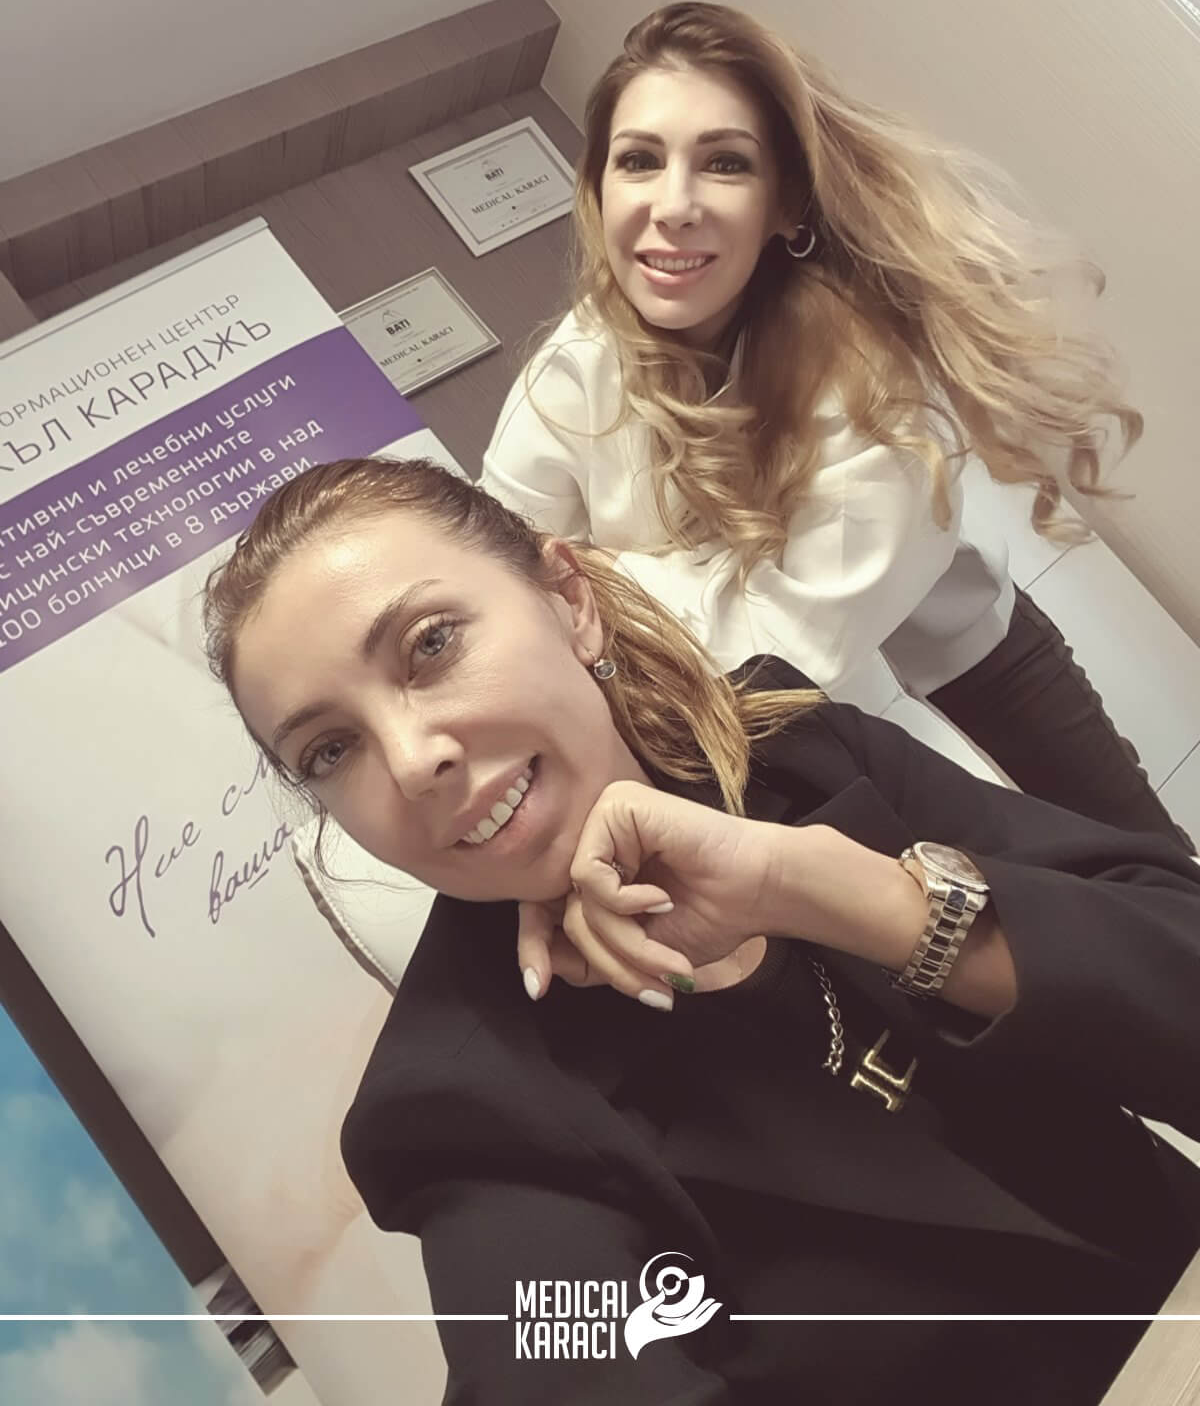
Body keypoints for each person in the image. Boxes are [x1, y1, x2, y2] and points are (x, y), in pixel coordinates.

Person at [203, 456, 1200, 1406]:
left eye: (430, 645)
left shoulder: (794, 753)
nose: (411, 760)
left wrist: (839, 893)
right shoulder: (468, 1117)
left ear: (569, 599)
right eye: (330, 749)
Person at [480, 0, 1191, 848]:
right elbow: (499, 586)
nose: (674, 204)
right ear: (600, 190)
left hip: (970, 650)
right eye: (638, 160)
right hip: (795, 727)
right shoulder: (569, 372)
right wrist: (605, 595)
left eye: (725, 163)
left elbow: (779, 654)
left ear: (786, 205)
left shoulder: (871, 379)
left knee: (1153, 868)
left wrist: (591, 579)